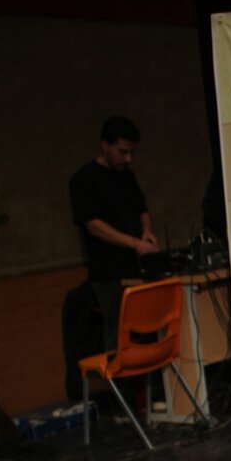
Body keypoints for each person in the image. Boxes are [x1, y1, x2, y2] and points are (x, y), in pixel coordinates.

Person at [68, 116, 158, 350]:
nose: (128, 159)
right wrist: (134, 243)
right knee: (116, 336)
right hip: (107, 273)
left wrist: (146, 231)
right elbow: (93, 225)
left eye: (131, 153)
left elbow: (141, 207)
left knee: (148, 331)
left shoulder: (126, 176)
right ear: (104, 145)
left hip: (136, 268)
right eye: (122, 152)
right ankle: (118, 375)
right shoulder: (83, 180)